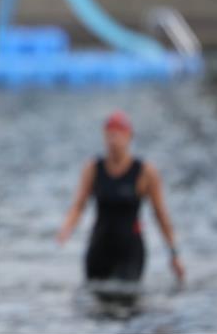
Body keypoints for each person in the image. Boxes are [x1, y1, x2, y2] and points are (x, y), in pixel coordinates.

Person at [56, 110, 185, 285]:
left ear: (129, 137)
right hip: (99, 248)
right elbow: (78, 206)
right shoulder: (93, 169)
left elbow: (160, 215)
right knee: (94, 302)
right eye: (109, 136)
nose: (113, 141)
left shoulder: (145, 172)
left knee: (127, 302)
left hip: (130, 251)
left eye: (118, 136)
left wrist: (174, 253)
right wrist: (66, 228)